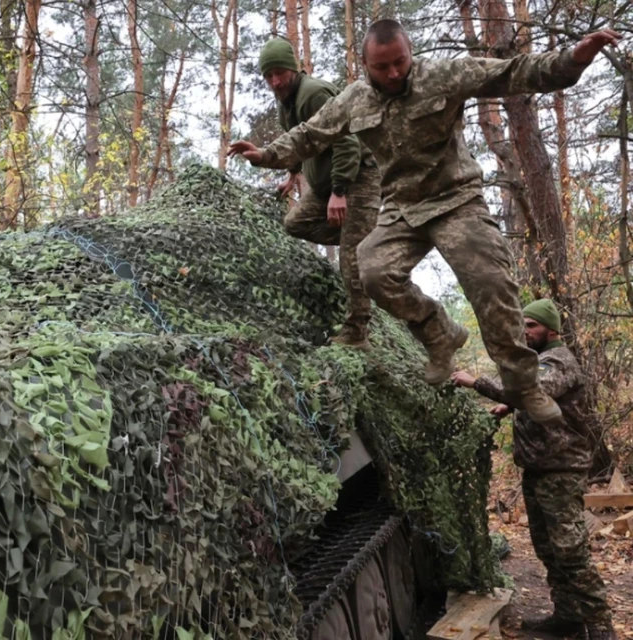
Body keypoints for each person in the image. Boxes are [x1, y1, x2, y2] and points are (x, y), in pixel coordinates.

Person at [227, 18, 622, 424]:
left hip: (456, 200)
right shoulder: (354, 100)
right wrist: (267, 155)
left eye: (400, 62)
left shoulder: (443, 74)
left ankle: (523, 384)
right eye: (382, 67)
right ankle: (439, 333)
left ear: (410, 52)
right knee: (373, 270)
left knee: (491, 283)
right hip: (402, 206)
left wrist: (572, 60)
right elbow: (312, 134)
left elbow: (512, 72)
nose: (394, 73)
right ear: (365, 64)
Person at [451, 300, 615, 640]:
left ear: (550, 329)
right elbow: (530, 395)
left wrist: (476, 381)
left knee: (570, 551)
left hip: (561, 469)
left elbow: (534, 392)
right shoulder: (539, 361)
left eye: (532, 325)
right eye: (522, 325)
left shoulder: (559, 360)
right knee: (547, 548)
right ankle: (568, 616)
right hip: (538, 468)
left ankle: (600, 626)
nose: (525, 332)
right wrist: (507, 405)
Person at [258, 37, 381, 350]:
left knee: (350, 259)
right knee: (294, 223)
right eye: (269, 75)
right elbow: (301, 140)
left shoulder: (314, 93)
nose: (275, 81)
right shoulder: (285, 101)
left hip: (355, 179)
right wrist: (292, 174)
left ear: (293, 68)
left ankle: (357, 334)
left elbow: (346, 141)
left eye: (280, 73)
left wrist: (340, 192)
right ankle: (361, 236)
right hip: (324, 184)